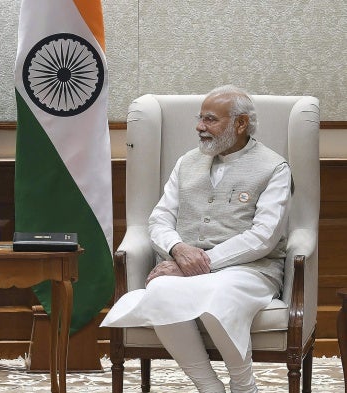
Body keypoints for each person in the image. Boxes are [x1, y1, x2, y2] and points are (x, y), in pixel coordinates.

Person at [101, 85, 292, 393]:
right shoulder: (186, 162)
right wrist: (177, 249)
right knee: (160, 290)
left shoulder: (274, 167)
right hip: (184, 265)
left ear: (240, 124)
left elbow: (263, 237)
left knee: (219, 297)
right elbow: (160, 218)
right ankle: (208, 387)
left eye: (210, 119)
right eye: (200, 118)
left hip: (251, 271)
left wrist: (200, 263)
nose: (199, 127)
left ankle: (244, 385)